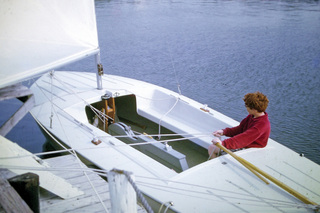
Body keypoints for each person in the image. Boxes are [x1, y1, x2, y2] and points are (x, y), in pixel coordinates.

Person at [208, 91, 271, 159]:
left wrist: (222, 143)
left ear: (253, 109)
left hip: (251, 148)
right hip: (246, 142)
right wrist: (224, 132)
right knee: (215, 147)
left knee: (212, 148)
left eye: (247, 106)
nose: (246, 108)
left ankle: (219, 167)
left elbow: (243, 139)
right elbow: (240, 129)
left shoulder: (261, 125)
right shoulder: (253, 116)